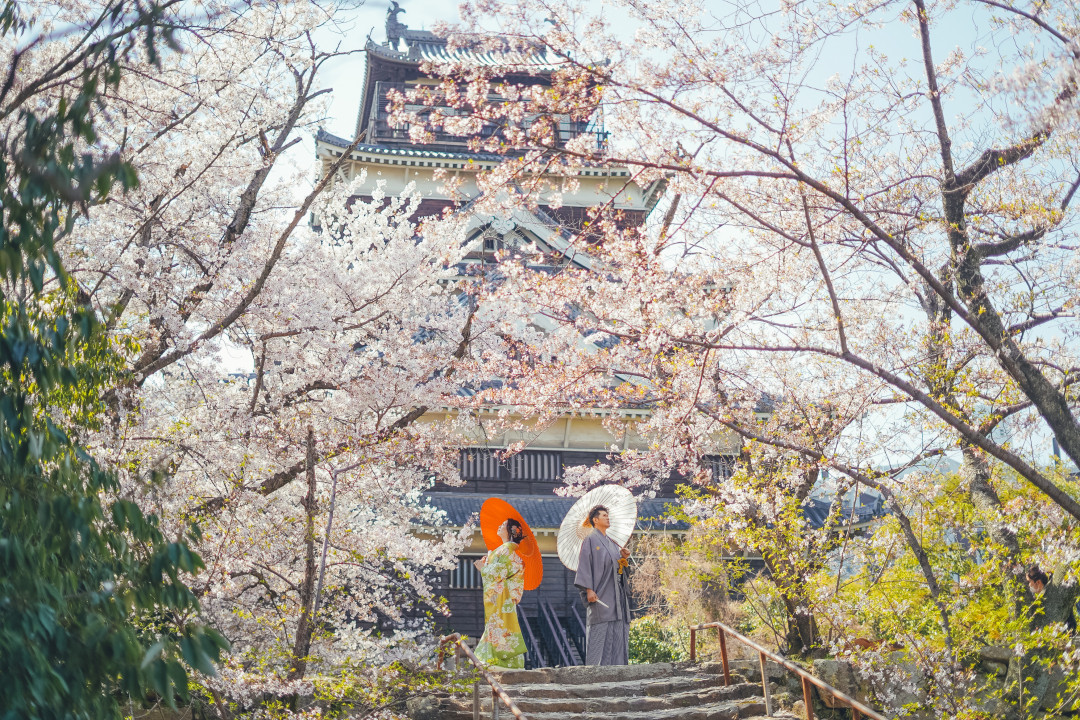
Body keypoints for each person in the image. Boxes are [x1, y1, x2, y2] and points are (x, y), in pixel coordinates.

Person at [574, 505, 632, 665]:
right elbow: (585, 564)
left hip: (616, 597)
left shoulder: (612, 543)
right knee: (600, 632)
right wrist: (589, 589)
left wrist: (623, 559)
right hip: (601, 596)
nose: (608, 517)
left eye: (608, 515)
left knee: (618, 633)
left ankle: (618, 672)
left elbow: (618, 571)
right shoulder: (590, 539)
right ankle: (595, 673)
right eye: (604, 515)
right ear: (595, 520)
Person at [474, 518, 528, 668]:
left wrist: (483, 568)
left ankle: (498, 662)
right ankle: (498, 661)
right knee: (497, 628)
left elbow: (501, 572)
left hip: (503, 598)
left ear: (511, 530)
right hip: (503, 597)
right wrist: (488, 563)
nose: (499, 525)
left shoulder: (507, 549)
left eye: (503, 525)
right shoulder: (505, 549)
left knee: (499, 628)